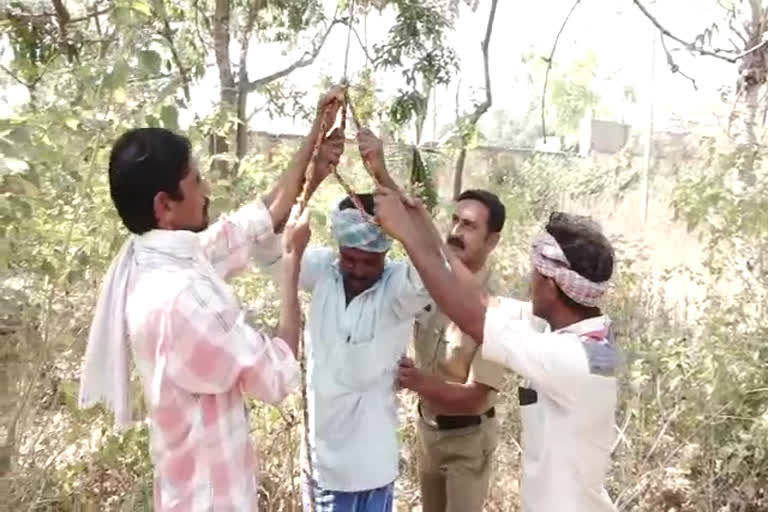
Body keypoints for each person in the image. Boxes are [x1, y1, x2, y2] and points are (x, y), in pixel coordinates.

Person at [77, 87, 346, 511]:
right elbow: (276, 375)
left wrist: (313, 145)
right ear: (164, 205)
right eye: (196, 180)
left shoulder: (163, 259)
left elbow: (261, 218)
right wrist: (291, 263)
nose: (207, 191)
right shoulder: (181, 299)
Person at [374, 189, 618, 512]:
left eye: (535, 275)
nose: (530, 283)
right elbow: (481, 300)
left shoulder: (567, 358)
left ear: (551, 283)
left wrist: (406, 235)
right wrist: (423, 224)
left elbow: (472, 317)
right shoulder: (588, 336)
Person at [269, 130, 430, 512]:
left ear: (386, 252)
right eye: (349, 257)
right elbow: (270, 252)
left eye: (367, 260)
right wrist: (311, 182)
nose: (356, 269)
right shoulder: (324, 271)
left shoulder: (398, 288)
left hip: (372, 471)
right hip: (323, 468)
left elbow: (435, 265)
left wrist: (384, 177)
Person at [398, 189, 524, 512]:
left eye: (468, 225)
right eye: (454, 220)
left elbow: (475, 397)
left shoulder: (496, 308)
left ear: (492, 241)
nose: (455, 232)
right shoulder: (430, 282)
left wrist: (414, 381)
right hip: (428, 432)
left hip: (467, 442)